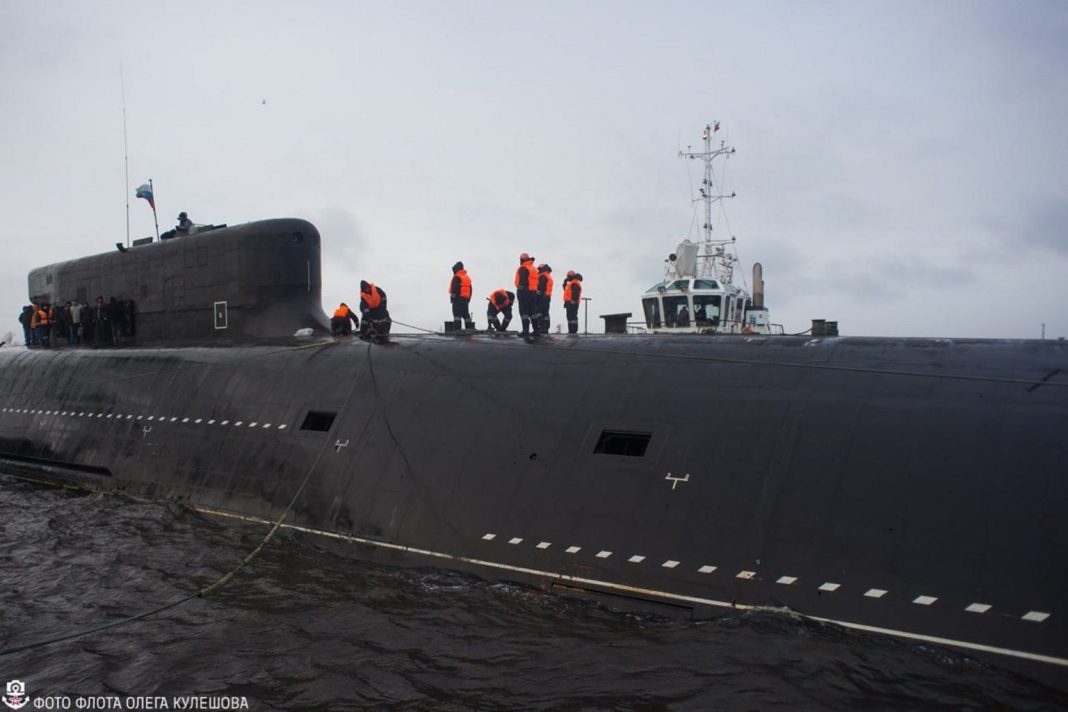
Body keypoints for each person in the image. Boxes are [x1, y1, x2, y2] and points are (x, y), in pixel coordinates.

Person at [514, 253, 539, 341]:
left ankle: (525, 331)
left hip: (525, 292)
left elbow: (523, 281)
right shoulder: (533, 269)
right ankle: (536, 330)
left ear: (522, 260)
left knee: (523, 312)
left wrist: (520, 291)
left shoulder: (523, 268)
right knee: (532, 312)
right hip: (533, 292)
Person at [448, 261, 474, 330]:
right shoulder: (467, 278)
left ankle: (457, 330)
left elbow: (454, 288)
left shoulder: (456, 277)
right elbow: (470, 290)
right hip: (465, 300)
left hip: (457, 299)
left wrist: (453, 299)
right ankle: (469, 329)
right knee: (466, 314)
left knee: (457, 315)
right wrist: (468, 299)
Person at [535, 264, 553, 335]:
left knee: (538, 312)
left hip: (541, 297)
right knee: (545, 313)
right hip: (547, 297)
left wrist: (536, 297)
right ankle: (546, 328)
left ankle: (542, 328)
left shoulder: (542, 276)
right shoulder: (548, 276)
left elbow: (540, 288)